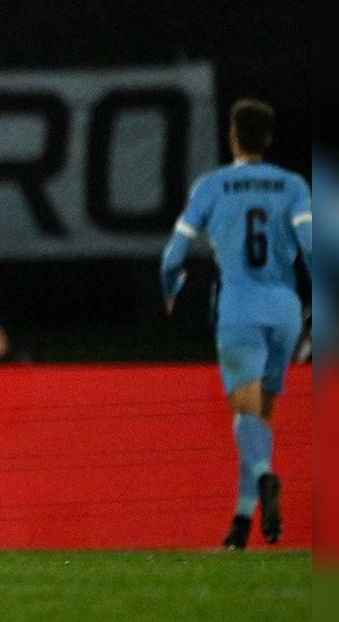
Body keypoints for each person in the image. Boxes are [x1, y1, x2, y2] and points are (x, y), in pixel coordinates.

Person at [161, 98, 312, 550]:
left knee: (245, 417)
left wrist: (170, 287)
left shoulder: (211, 186)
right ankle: (241, 525)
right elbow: (313, 246)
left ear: (232, 136)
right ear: (267, 138)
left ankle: (266, 479)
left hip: (239, 307)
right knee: (261, 420)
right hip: (285, 310)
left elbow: (174, 254)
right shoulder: (292, 186)